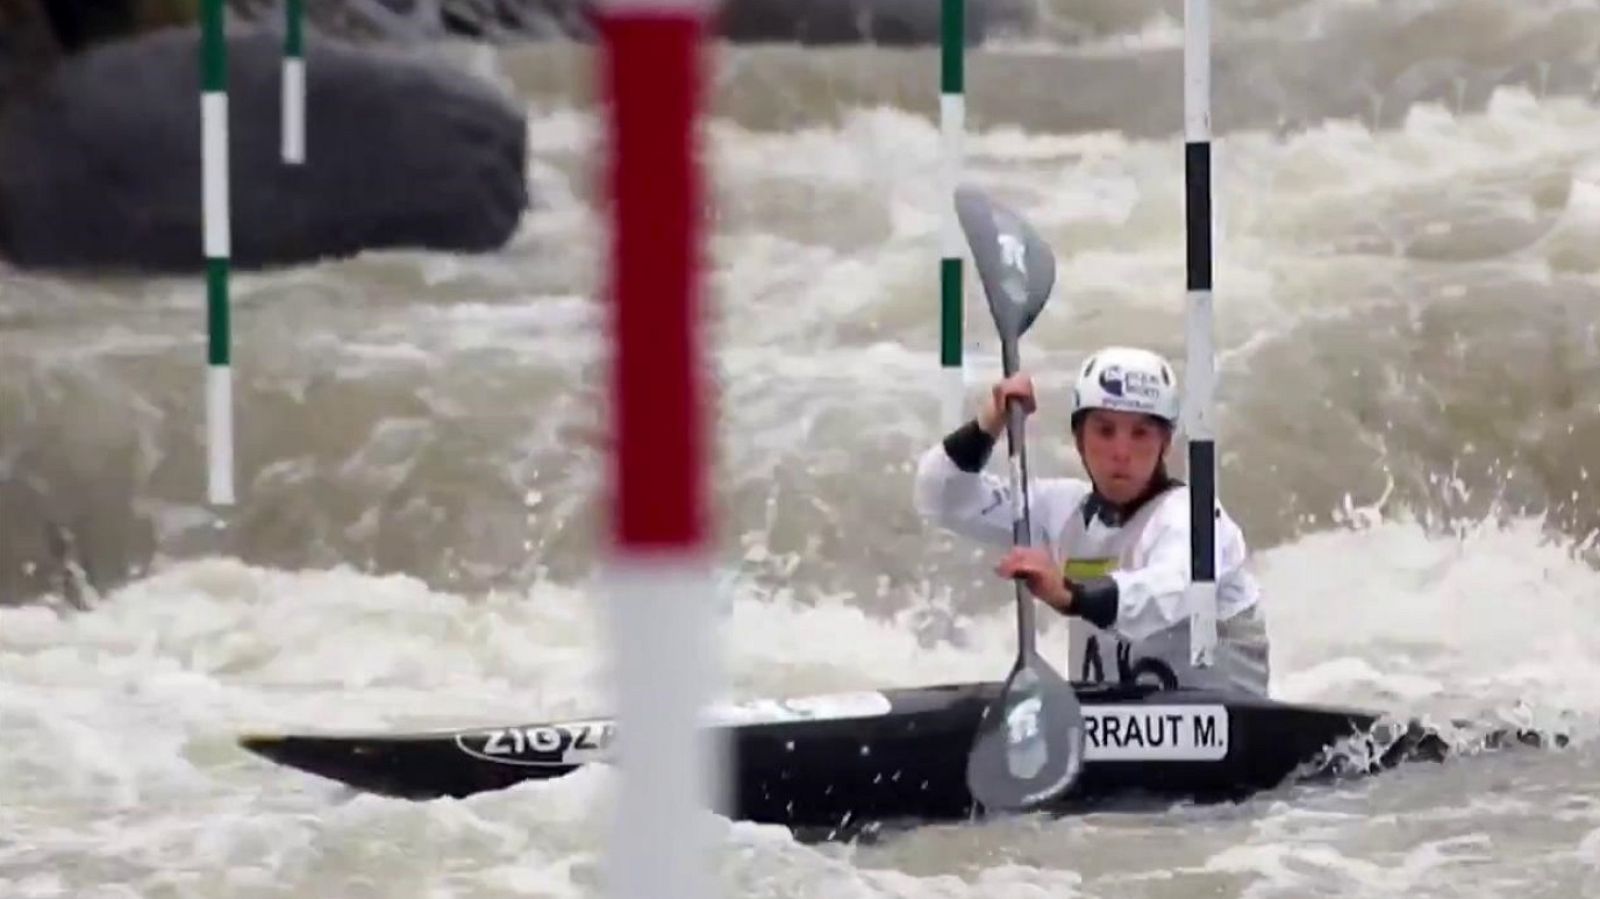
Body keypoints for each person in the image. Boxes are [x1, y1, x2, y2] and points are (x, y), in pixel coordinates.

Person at [913, 346, 1270, 697]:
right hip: (1116, 736)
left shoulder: (1195, 515)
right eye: (1104, 430)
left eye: (1141, 433)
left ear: (1165, 444)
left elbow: (1166, 592)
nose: (1121, 451)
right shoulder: (1062, 509)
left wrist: (1074, 596)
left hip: (1227, 735)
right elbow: (943, 499)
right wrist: (989, 423)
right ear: (1079, 439)